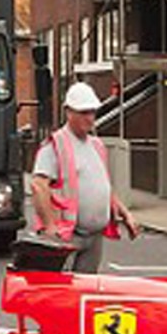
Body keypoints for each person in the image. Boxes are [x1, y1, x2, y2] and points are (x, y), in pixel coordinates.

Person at [29, 81, 140, 273]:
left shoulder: (96, 145)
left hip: (94, 236)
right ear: (69, 112)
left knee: (86, 288)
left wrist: (125, 214)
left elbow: (104, 187)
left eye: (92, 112)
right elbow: (39, 186)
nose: (90, 118)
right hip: (67, 235)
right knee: (65, 290)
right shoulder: (56, 145)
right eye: (84, 113)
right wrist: (49, 226)